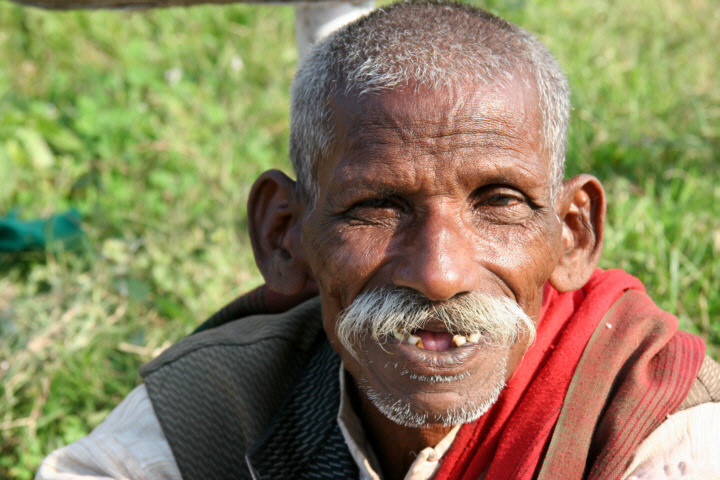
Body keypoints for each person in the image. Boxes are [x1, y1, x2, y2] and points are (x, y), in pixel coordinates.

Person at [36, 2, 720, 479]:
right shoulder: (225, 401)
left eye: (498, 202)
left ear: (573, 234)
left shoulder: (647, 413)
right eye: (378, 207)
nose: (440, 273)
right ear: (284, 236)